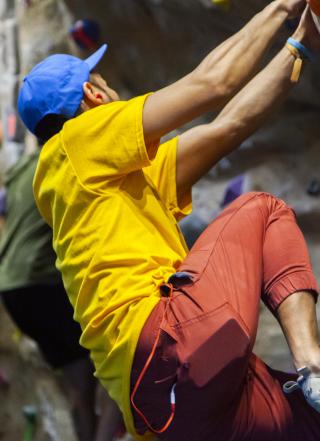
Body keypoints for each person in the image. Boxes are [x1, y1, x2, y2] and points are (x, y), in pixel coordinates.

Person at [17, 1, 320, 440]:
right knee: (262, 209)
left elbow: (230, 124)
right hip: (165, 339)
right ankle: (312, 364)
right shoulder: (76, 143)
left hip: (166, 412)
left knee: (305, 422)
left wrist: (301, 46)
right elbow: (213, 84)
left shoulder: (105, 182)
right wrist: (283, 9)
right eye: (102, 80)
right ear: (93, 96)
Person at [0, 140, 125, 441]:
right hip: (40, 282)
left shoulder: (24, 166)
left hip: (12, 286)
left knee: (80, 385)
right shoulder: (68, 159)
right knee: (121, 368)